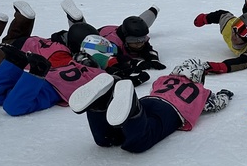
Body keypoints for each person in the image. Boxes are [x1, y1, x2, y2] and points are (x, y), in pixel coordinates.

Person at [69, 57, 233, 153]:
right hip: (169, 111)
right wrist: (224, 95)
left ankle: (100, 104)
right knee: (141, 140)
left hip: (149, 101)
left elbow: (155, 89)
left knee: (108, 138)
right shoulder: (201, 92)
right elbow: (216, 104)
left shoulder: (164, 79)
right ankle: (133, 110)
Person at [0, 24, 145, 117]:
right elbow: (114, 87)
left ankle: (13, 63)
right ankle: (34, 70)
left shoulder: (73, 60)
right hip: (51, 91)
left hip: (43, 79)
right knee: (13, 107)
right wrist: (135, 79)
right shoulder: (100, 75)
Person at [60, 0, 166, 70]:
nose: (139, 44)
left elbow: (148, 49)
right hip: (98, 36)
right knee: (81, 35)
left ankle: (153, 10)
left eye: (142, 40)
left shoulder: (139, 39)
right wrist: (136, 63)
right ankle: (76, 20)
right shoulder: (113, 44)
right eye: (133, 41)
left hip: (118, 29)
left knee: (140, 25)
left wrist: (153, 59)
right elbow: (117, 59)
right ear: (125, 39)